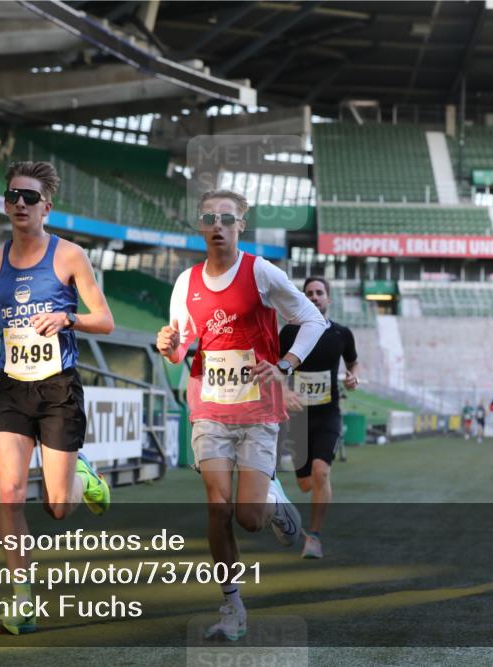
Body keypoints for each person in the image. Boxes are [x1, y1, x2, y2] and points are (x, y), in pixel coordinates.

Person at [0, 161, 115, 635]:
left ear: (47, 208)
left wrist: (69, 319)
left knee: (58, 506)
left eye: (30, 197)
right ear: (5, 204)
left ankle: (84, 471)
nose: (20, 203)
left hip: (58, 387)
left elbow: (105, 320)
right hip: (12, 387)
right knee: (10, 492)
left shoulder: (70, 256)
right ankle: (22, 602)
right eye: (13, 195)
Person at [155, 189, 326, 641]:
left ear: (240, 226)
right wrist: (170, 345)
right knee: (218, 506)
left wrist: (285, 363)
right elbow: (179, 347)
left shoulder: (261, 272)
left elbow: (312, 320)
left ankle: (271, 500)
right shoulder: (186, 283)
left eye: (226, 219)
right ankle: (231, 606)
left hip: (257, 410)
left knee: (248, 518)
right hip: (209, 407)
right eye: (209, 217)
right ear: (200, 225)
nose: (217, 225)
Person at [278, 277, 359, 559]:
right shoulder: (288, 333)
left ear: (328, 299)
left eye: (319, 293)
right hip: (298, 419)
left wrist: (353, 376)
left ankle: (313, 537)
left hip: (328, 414)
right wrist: (285, 392)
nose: (314, 297)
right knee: (305, 483)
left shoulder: (341, 334)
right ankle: (315, 488)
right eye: (309, 293)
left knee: (321, 471)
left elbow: (353, 362)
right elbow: (276, 369)